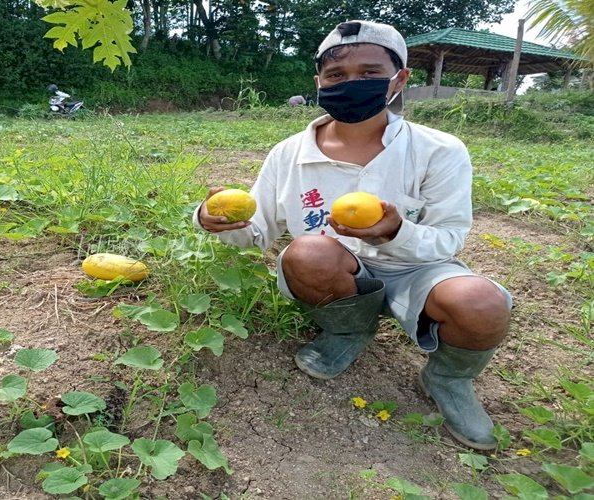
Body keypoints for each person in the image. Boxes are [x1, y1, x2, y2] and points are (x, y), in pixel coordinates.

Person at [193, 20, 512, 451]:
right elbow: (258, 233)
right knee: (308, 252)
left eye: (369, 73)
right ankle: (348, 331)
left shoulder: (440, 149)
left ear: (399, 79)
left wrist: (396, 231)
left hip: (418, 271)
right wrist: (215, 220)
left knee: (481, 303)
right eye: (337, 75)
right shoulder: (289, 153)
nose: (351, 83)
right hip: (336, 275)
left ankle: (449, 378)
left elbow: (449, 239)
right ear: (319, 82)